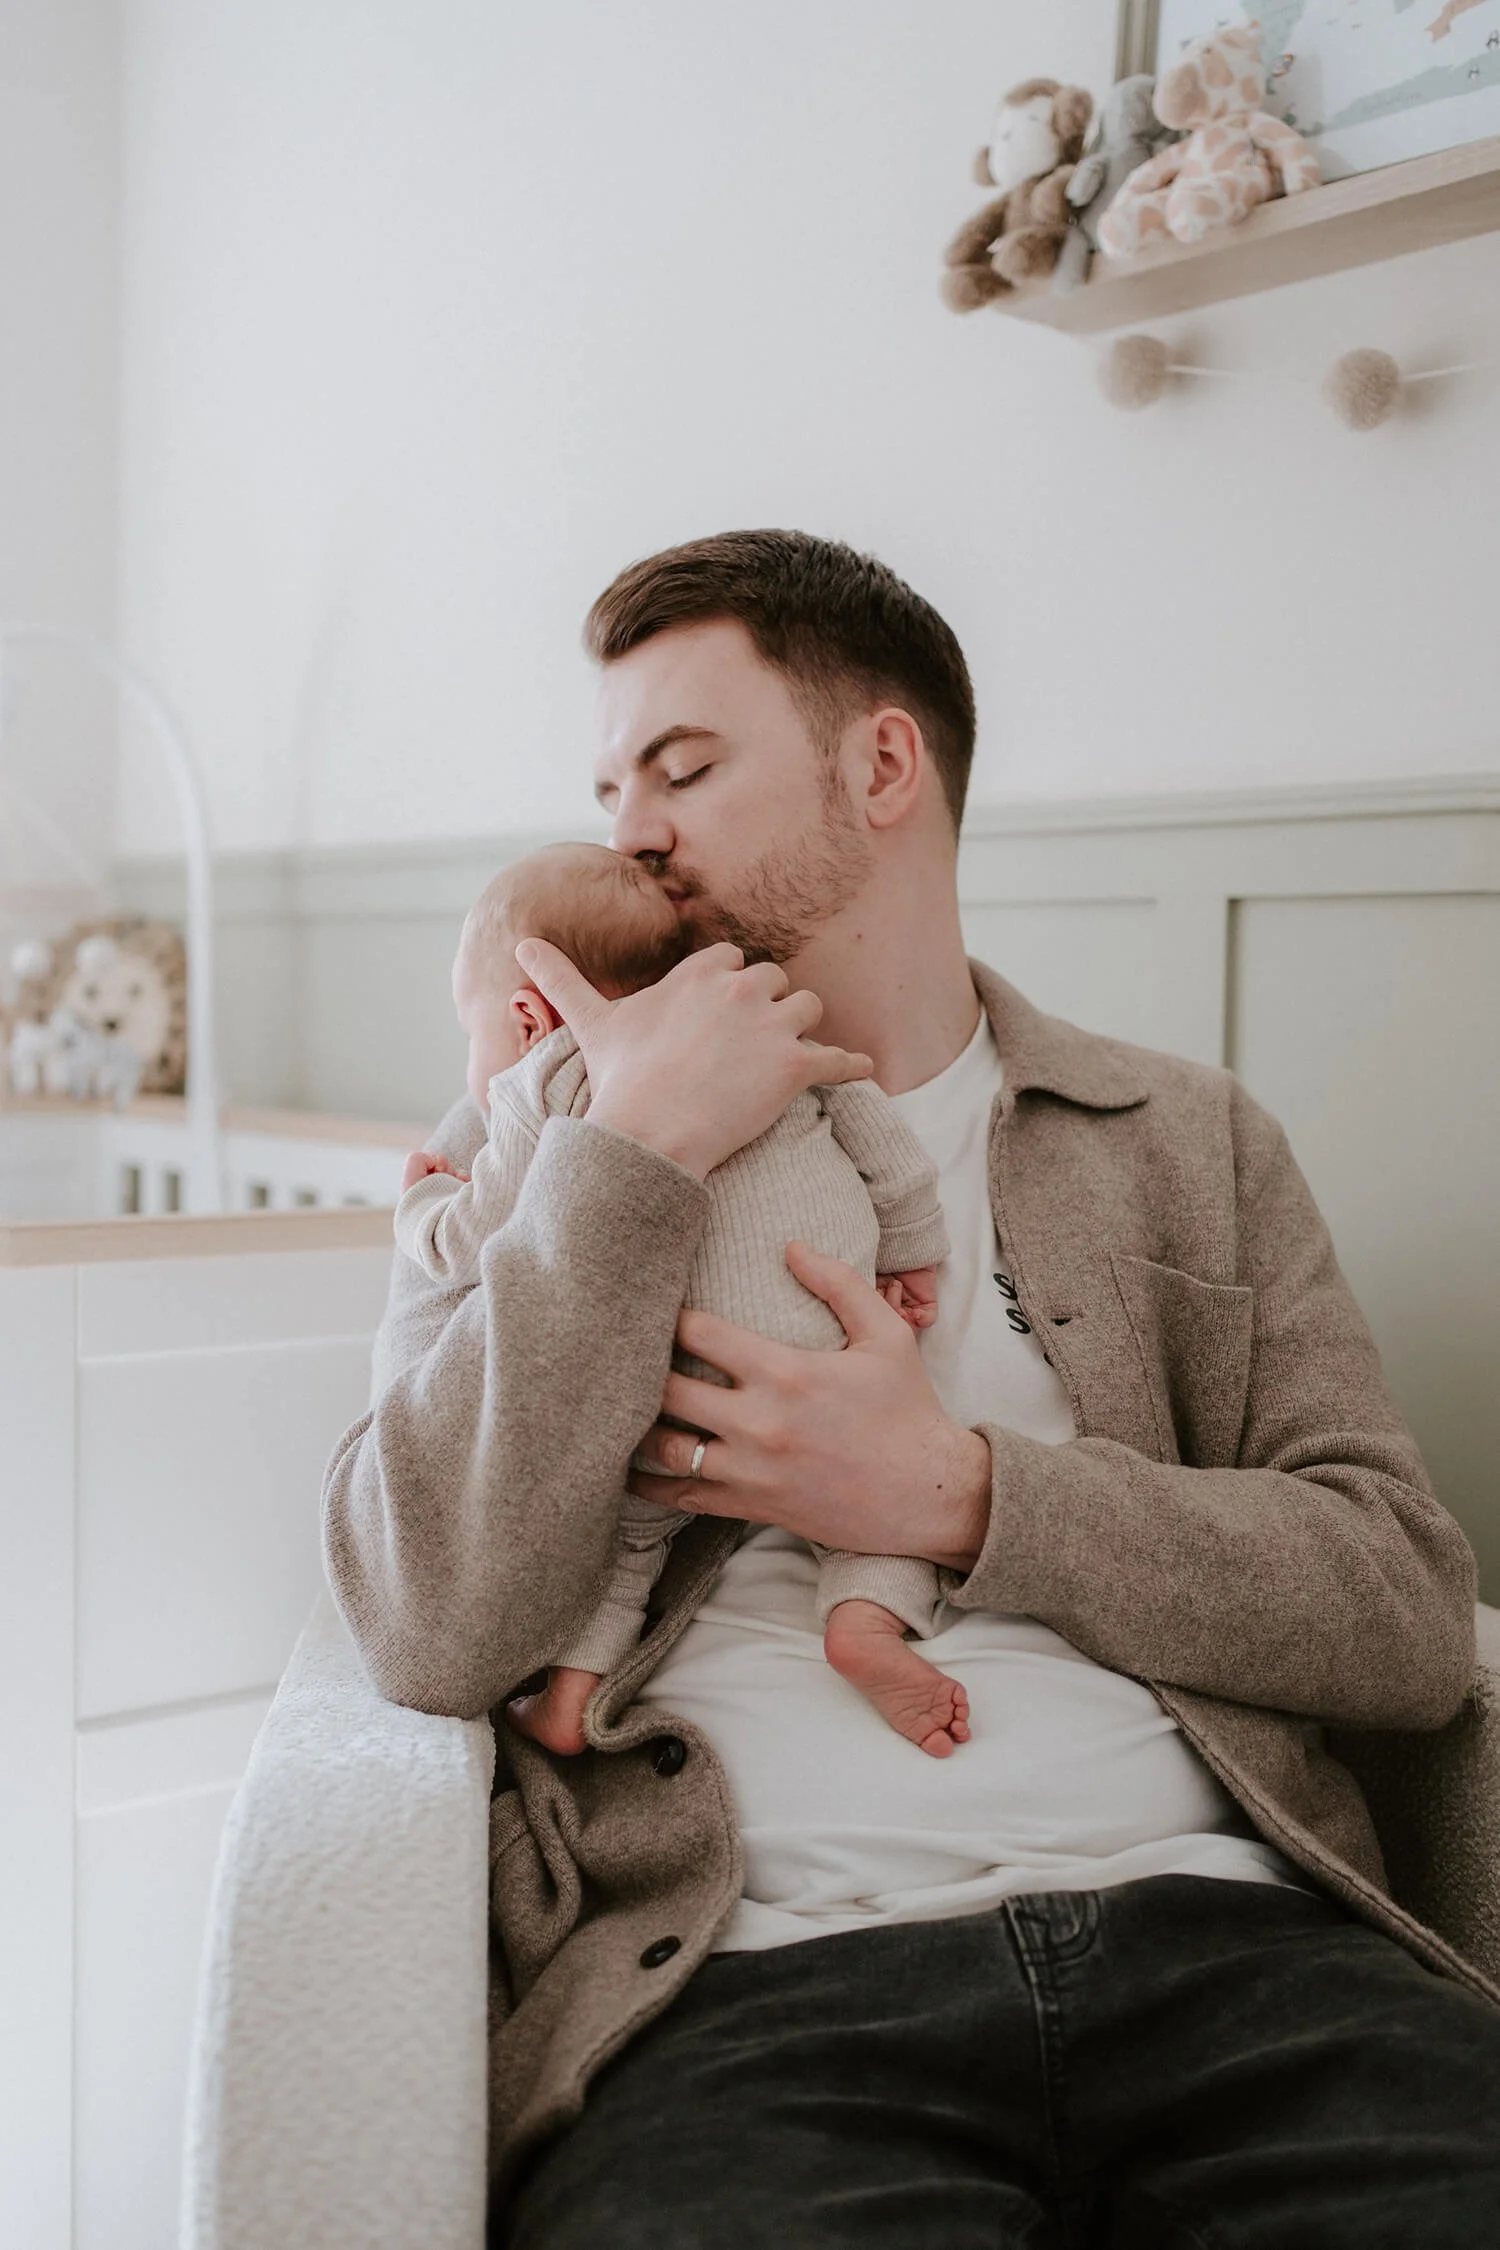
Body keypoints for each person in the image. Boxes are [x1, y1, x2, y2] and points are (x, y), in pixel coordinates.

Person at [323, 530, 1500, 2247]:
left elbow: (1403, 1607)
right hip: (753, 1991)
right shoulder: (540, 1140)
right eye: (606, 782)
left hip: (1243, 1956)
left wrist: (955, 1497)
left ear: (883, 764)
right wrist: (628, 1159)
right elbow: (423, 1617)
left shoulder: (1184, 1142)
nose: (627, 828)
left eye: (685, 766)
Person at [392, 839, 962, 1759]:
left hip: (672, 1378)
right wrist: (912, 1253)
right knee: (882, 1505)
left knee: (623, 1540)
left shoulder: (541, 1083)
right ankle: (867, 1622)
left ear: (529, 1017)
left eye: (474, 1034)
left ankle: (575, 1696)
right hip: (829, 1331)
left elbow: (466, 1243)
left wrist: (422, 1199)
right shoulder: (774, 1028)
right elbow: (880, 1138)